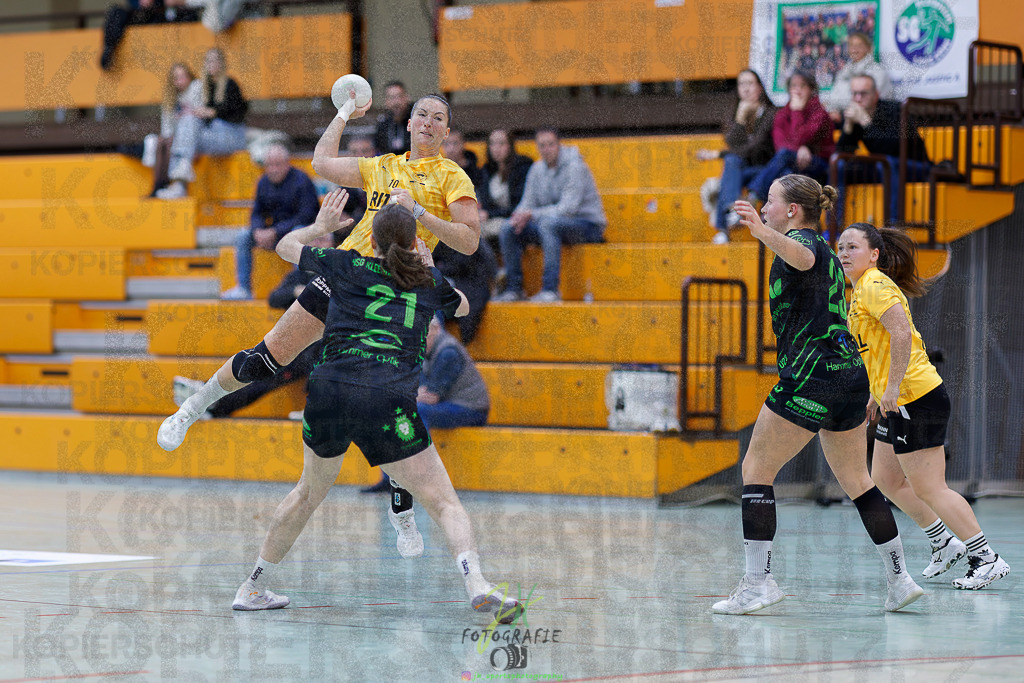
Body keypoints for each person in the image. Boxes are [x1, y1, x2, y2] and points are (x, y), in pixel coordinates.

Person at [157, 87, 480, 555]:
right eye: (421, 115)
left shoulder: (453, 177)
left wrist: (421, 213)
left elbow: (469, 242)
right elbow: (323, 163)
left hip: (400, 286)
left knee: (392, 394)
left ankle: (401, 504)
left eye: (438, 118)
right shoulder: (383, 166)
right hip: (349, 277)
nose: (429, 122)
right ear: (409, 123)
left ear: (446, 131)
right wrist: (345, 112)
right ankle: (192, 409)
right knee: (269, 356)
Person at [230, 192, 523, 626]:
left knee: (308, 492)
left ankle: (252, 585)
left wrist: (319, 226)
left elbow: (285, 246)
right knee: (443, 502)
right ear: (413, 242)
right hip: (385, 393)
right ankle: (476, 583)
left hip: (328, 388)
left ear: (372, 241)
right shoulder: (428, 282)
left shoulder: (351, 263)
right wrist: (427, 263)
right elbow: (461, 304)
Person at [711, 174, 923, 615]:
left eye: (770, 201)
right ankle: (900, 580)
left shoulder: (805, 244)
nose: (764, 206)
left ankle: (758, 583)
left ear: (791, 210)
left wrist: (760, 231)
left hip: (812, 375)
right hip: (849, 374)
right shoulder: (827, 250)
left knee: (756, 467)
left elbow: (800, 255)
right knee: (858, 481)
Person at [837, 223, 1011, 589]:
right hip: (895, 398)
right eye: (840, 247)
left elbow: (901, 333)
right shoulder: (858, 292)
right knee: (885, 478)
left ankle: (986, 558)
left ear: (874, 255)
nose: (844, 253)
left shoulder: (873, 284)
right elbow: (879, 347)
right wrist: (877, 389)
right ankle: (943, 542)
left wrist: (894, 386)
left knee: (930, 487)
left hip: (915, 396)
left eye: (853, 246)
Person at [493, 129, 606, 303]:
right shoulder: (537, 169)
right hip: (554, 225)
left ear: (559, 145)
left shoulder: (575, 166)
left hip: (588, 226)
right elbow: (527, 202)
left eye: (551, 144)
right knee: (508, 227)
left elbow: (569, 209)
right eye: (542, 145)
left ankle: (550, 290)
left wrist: (532, 214)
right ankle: (514, 289)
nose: (547, 149)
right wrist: (519, 216)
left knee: (548, 224)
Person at [222, 143, 319, 299]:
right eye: (270, 165)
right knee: (242, 236)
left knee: (298, 233)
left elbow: (306, 215)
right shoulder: (263, 182)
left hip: (299, 231)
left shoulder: (302, 181)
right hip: (273, 233)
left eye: (277, 164)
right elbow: (256, 213)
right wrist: (258, 231)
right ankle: (243, 288)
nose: (273, 169)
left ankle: (300, 286)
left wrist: (275, 231)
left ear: (288, 163)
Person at [835, 75, 931, 222]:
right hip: (886, 165)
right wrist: (848, 127)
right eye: (854, 93)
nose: (858, 98)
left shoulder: (895, 110)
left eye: (863, 93)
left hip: (917, 166)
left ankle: (893, 224)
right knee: (839, 164)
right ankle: (833, 225)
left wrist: (866, 122)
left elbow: (892, 149)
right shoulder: (856, 114)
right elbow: (842, 152)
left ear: (876, 95)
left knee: (885, 163)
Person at [696, 69, 777, 243]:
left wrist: (717, 154)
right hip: (743, 170)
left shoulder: (770, 113)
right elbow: (731, 142)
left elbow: (756, 147)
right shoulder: (736, 112)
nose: (746, 88)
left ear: (760, 88)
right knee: (731, 162)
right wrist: (740, 118)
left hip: (765, 169)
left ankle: (723, 230)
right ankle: (733, 210)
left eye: (750, 83)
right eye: (742, 84)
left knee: (729, 164)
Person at [156, 48, 248, 199]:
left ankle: (179, 179)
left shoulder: (230, 84)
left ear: (222, 63)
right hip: (213, 137)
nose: (211, 64)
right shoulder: (204, 87)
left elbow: (239, 113)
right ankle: (179, 183)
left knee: (188, 128)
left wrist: (212, 112)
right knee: (188, 121)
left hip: (232, 136)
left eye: (214, 60)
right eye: (208, 60)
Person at [747, 71, 834, 204]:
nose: (798, 91)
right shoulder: (782, 114)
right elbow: (780, 146)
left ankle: (754, 196)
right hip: (792, 164)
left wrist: (797, 112)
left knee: (785, 163)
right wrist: (799, 149)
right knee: (785, 173)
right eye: (794, 86)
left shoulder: (819, 113)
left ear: (811, 90)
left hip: (819, 163)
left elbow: (802, 138)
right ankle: (770, 218)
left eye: (803, 86)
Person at [148, 62, 203, 196]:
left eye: (183, 76)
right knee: (161, 142)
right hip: (179, 136)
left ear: (190, 76)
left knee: (173, 142)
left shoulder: (197, 87)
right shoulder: (170, 99)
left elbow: (198, 114)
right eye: (177, 78)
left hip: (197, 134)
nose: (181, 81)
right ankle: (161, 184)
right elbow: (167, 127)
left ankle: (175, 184)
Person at [100, 0, 199, 71]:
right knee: (116, 12)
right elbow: (135, 4)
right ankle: (109, 49)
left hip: (166, 16)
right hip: (145, 15)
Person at [476, 129, 534, 242]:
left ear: (510, 146)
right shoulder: (486, 171)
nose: (496, 148)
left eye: (501, 143)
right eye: (492, 143)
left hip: (515, 219)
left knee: (477, 232)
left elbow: (519, 205)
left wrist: (489, 214)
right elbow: (485, 204)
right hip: (492, 220)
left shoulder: (522, 167)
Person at [826, 32, 893, 123]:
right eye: (851, 45)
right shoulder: (845, 71)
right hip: (845, 118)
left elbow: (868, 102)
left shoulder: (878, 72)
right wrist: (834, 110)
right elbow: (833, 97)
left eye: (859, 45)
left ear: (869, 48)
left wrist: (841, 109)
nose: (854, 49)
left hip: (873, 121)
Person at [374, 81, 413, 156]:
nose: (396, 102)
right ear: (386, 102)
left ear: (407, 98)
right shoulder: (382, 124)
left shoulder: (416, 120)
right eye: (391, 98)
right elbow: (379, 150)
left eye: (399, 96)